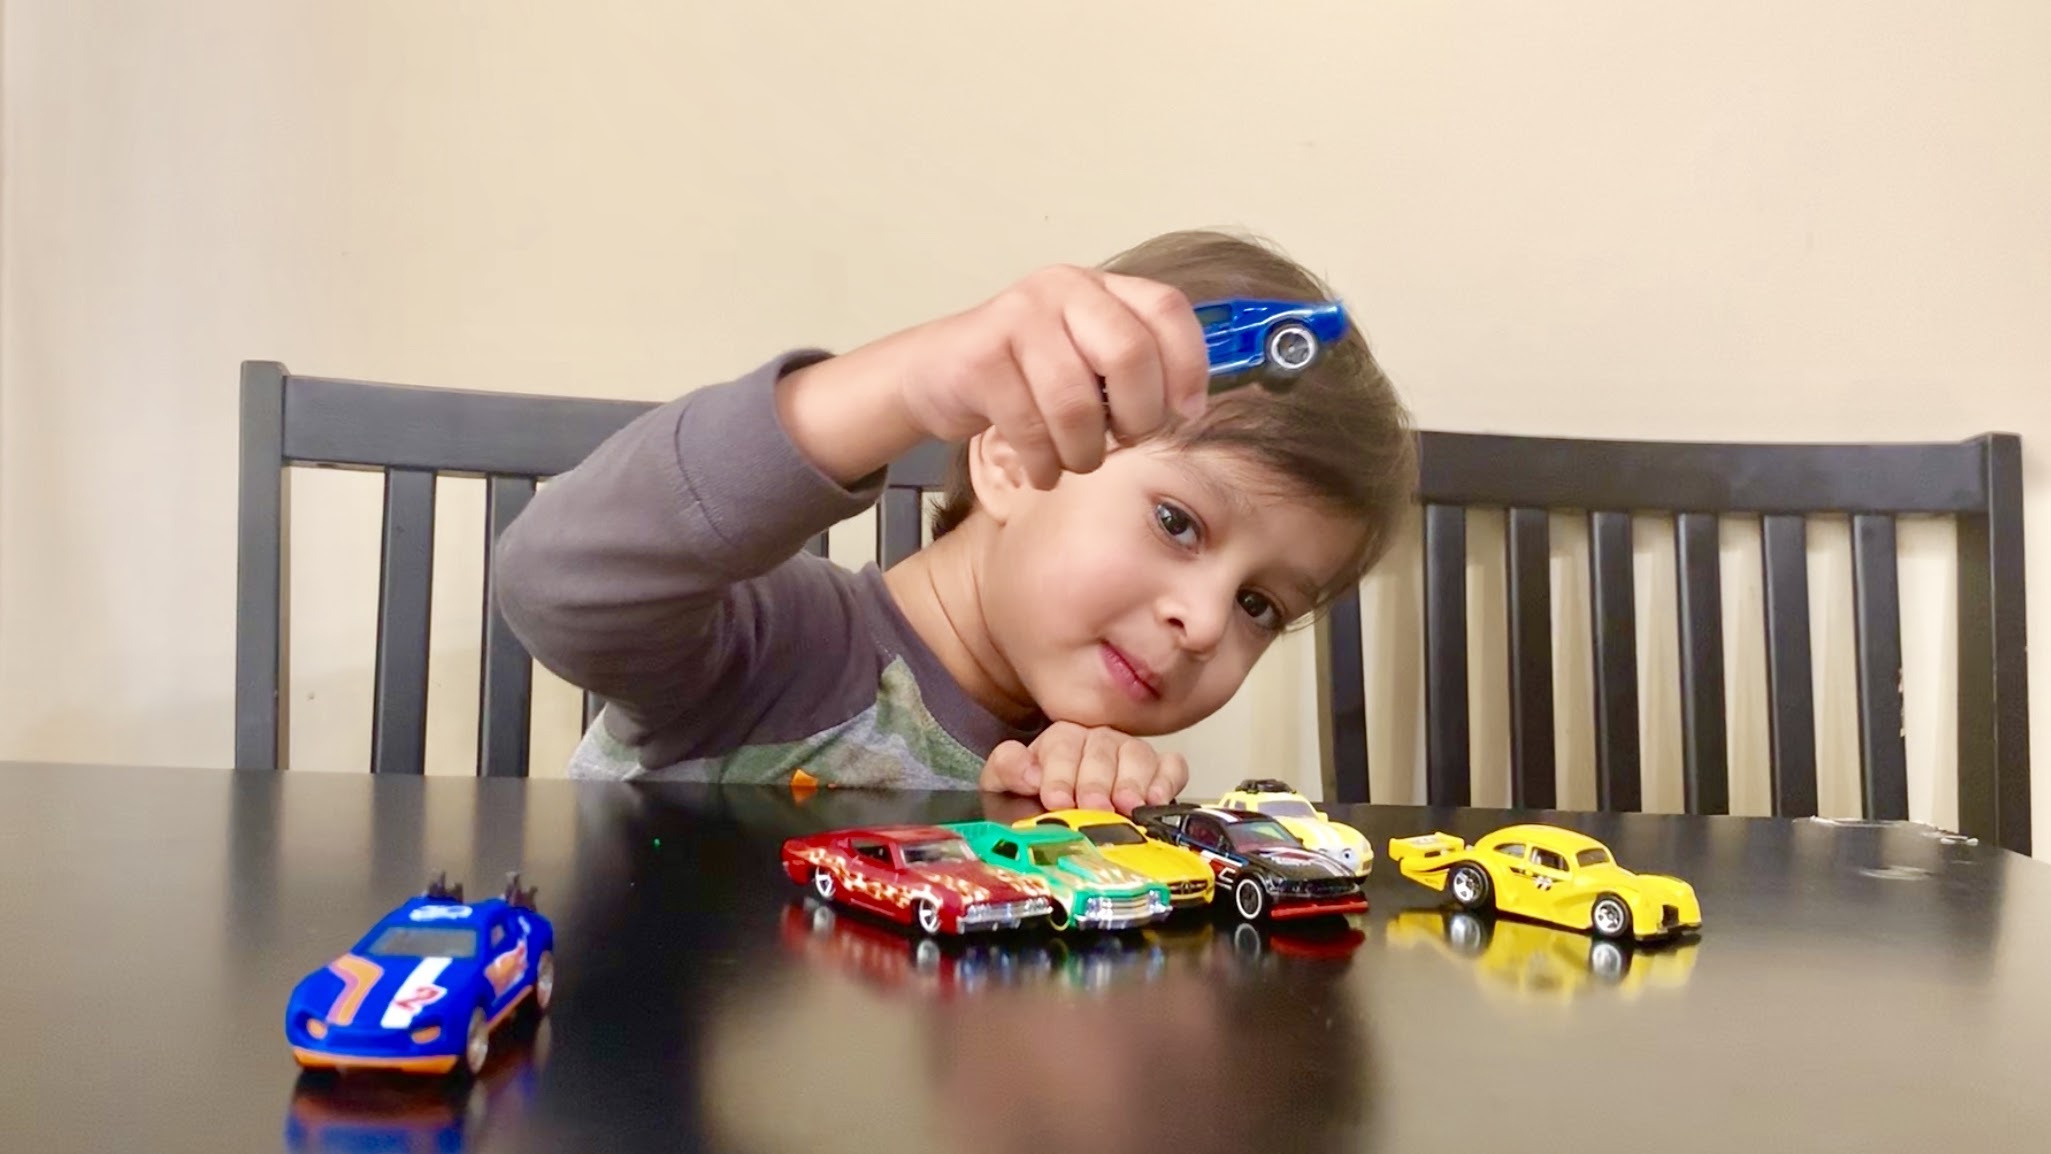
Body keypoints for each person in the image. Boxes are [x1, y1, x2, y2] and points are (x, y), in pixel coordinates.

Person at [492, 229, 1414, 814]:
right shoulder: (780, 647)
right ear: (1009, 456)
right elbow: (557, 581)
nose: (1206, 623)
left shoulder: (1068, 776)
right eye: (1177, 523)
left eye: (1258, 605)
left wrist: (1092, 815)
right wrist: (902, 383)